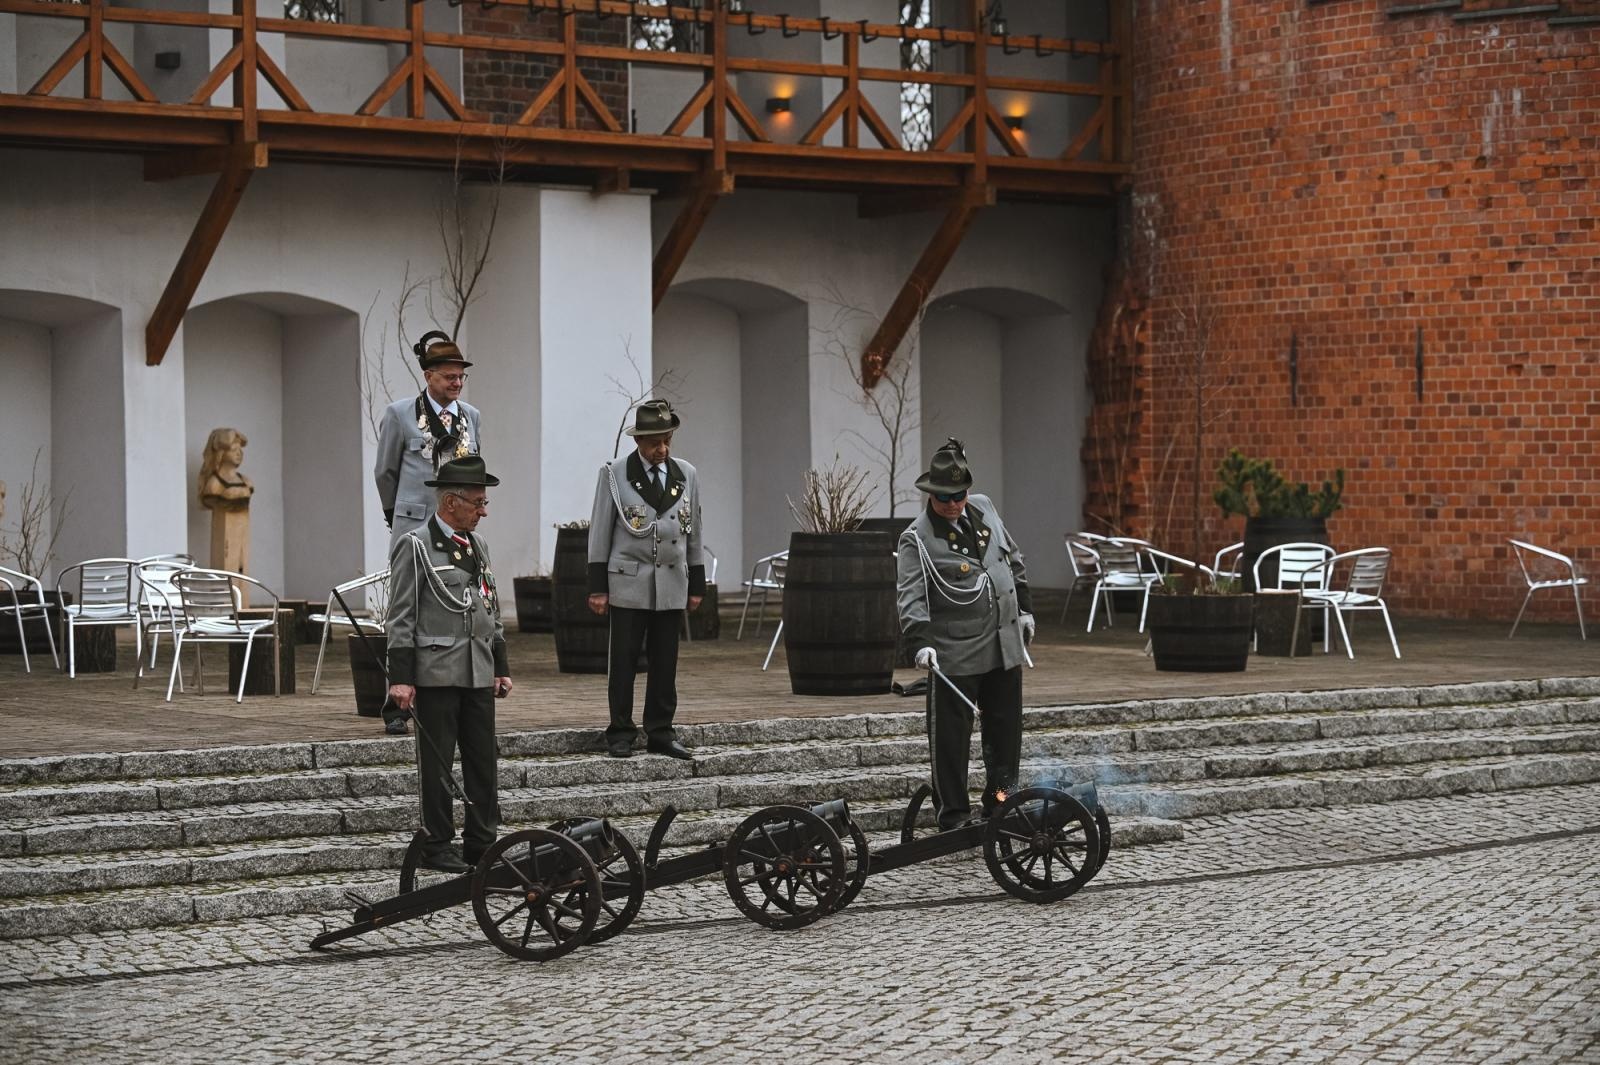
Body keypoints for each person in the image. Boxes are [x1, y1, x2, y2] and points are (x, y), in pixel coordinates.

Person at [896, 438, 1035, 831]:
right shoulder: (917, 537)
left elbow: (1013, 559)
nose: (954, 505)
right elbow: (910, 594)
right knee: (951, 741)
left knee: (1005, 731)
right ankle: (953, 814)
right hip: (954, 652)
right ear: (931, 495)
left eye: (959, 496)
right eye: (945, 499)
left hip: (1003, 644)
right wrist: (919, 642)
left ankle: (1000, 802)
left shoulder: (985, 508)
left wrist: (1025, 609)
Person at [384, 455, 512, 873]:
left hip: (477, 670)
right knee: (437, 765)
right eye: (477, 502)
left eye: (483, 502)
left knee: (482, 762)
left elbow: (489, 607)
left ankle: (482, 843)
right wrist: (400, 679)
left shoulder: (478, 546)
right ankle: (437, 844)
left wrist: (500, 664)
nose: (483, 510)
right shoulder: (416, 545)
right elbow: (401, 616)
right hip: (436, 672)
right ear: (451, 501)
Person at [586, 399, 704, 760]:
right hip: (629, 582)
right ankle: (620, 731)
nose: (662, 449)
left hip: (671, 583)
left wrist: (696, 583)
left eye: (666, 440)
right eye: (654, 442)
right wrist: (597, 586)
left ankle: (661, 732)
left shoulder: (686, 473)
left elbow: (694, 531)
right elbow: (600, 530)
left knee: (665, 661)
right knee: (623, 661)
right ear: (639, 440)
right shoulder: (614, 474)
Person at [374, 331, 483, 549]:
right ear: (428, 376)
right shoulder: (399, 414)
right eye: (450, 377)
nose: (458, 383)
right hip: (414, 529)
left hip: (458, 531)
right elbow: (385, 473)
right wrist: (394, 514)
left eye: (461, 377)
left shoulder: (472, 416)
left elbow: (474, 472)